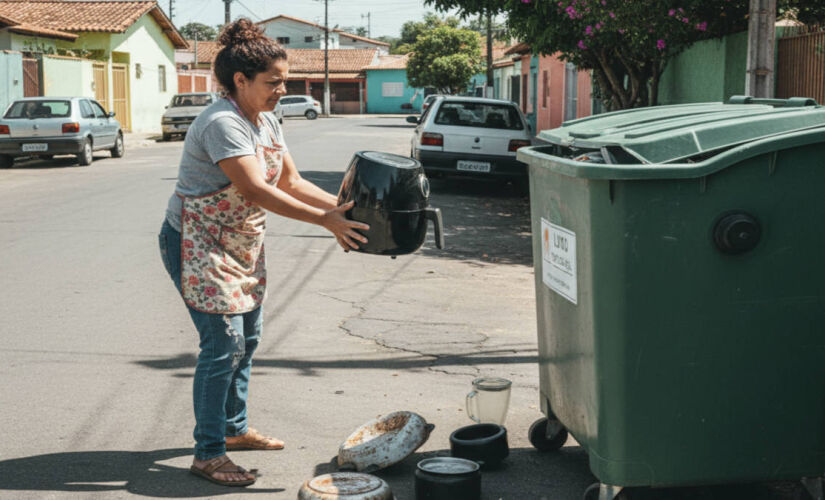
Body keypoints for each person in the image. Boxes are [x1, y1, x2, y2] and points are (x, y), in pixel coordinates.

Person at [157, 18, 368, 487]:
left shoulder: (267, 119)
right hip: (196, 242)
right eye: (273, 82)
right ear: (240, 80)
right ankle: (208, 453)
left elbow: (290, 181)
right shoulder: (222, 123)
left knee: (247, 339)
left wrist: (344, 211)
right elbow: (255, 189)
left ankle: (233, 430)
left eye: (284, 81)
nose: (282, 90)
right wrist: (326, 222)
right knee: (222, 346)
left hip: (240, 242)